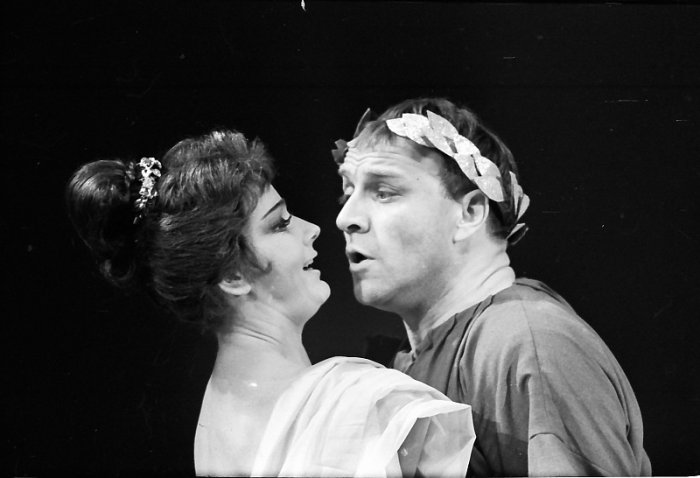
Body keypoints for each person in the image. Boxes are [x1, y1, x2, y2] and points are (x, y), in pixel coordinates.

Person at [65, 128, 475, 477]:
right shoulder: (368, 407)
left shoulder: (214, 422)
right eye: (280, 224)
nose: (312, 229)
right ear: (233, 277)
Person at [333, 97, 651, 476]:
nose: (345, 218)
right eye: (347, 192)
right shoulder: (426, 354)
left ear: (470, 213)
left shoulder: (527, 345)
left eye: (384, 192)